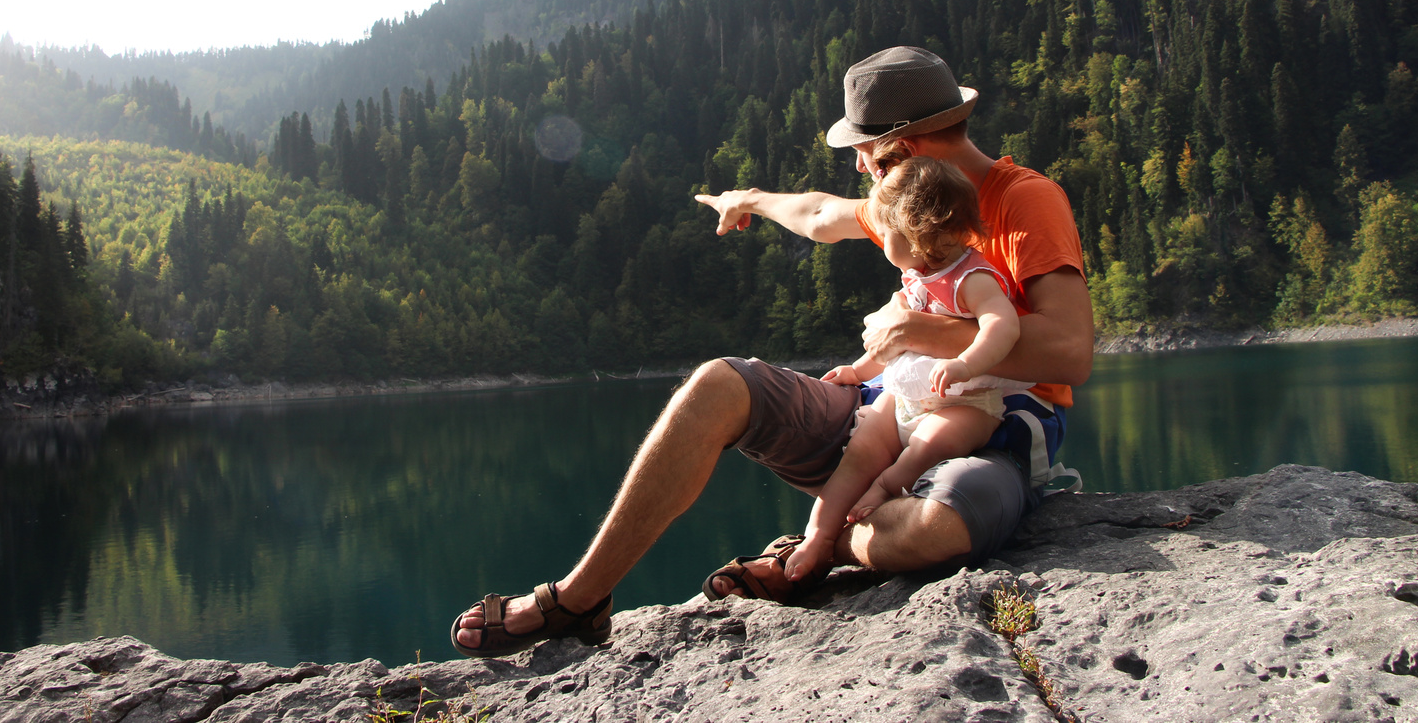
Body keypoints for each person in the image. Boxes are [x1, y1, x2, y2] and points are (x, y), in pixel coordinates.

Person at [450, 46, 1091, 657]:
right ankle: (578, 600)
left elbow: (1068, 351)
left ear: (904, 151)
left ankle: (826, 546)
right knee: (715, 385)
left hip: (991, 424)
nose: (861, 168)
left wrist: (918, 333)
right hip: (891, 410)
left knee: (940, 527)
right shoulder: (902, 202)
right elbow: (818, 213)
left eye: (865, 153)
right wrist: (747, 199)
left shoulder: (1024, 201)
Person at [782, 150, 1026, 584]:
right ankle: (816, 535)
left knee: (932, 442)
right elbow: (892, 344)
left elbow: (1003, 326)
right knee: (859, 453)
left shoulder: (973, 278)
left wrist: (966, 364)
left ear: (915, 234)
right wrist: (858, 372)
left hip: (966, 402)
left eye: (883, 230)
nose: (878, 239)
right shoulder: (914, 280)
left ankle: (889, 485)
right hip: (907, 395)